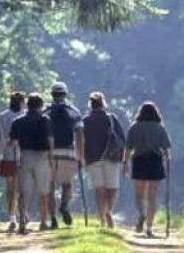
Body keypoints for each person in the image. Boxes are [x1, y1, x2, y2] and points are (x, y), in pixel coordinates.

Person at [122, 101, 172, 238]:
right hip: (155, 161)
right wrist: (168, 162)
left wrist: (124, 163)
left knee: (139, 195)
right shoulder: (160, 128)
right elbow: (166, 149)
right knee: (152, 197)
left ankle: (142, 213)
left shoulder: (134, 127)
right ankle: (149, 227)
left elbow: (128, 148)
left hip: (139, 160)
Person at [10, 92, 54, 234]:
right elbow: (50, 141)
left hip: (25, 156)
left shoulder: (18, 121)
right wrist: (51, 158)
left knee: (24, 192)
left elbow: (12, 142)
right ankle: (43, 222)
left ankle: (22, 220)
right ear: (40, 106)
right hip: (41, 156)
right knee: (43, 192)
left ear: (28, 105)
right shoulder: (45, 120)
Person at [43, 81, 84, 229]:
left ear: (52, 94)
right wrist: (80, 156)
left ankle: (53, 218)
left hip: (50, 153)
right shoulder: (74, 111)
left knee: (50, 187)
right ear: (65, 94)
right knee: (67, 185)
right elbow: (79, 135)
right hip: (68, 151)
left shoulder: (45, 111)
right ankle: (64, 205)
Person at [83, 92, 125, 228]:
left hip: (92, 158)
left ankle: (102, 217)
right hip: (111, 158)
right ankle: (108, 212)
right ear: (103, 103)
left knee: (99, 189)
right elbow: (122, 139)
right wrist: (123, 158)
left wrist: (82, 157)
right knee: (112, 188)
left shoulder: (85, 120)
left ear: (91, 105)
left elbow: (81, 140)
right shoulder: (111, 118)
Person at [0, 92, 25, 231]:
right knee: (22, 188)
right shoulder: (25, 116)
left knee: (10, 188)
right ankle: (21, 214)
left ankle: (12, 217)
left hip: (8, 155)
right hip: (23, 155)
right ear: (22, 102)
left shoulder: (2, 117)